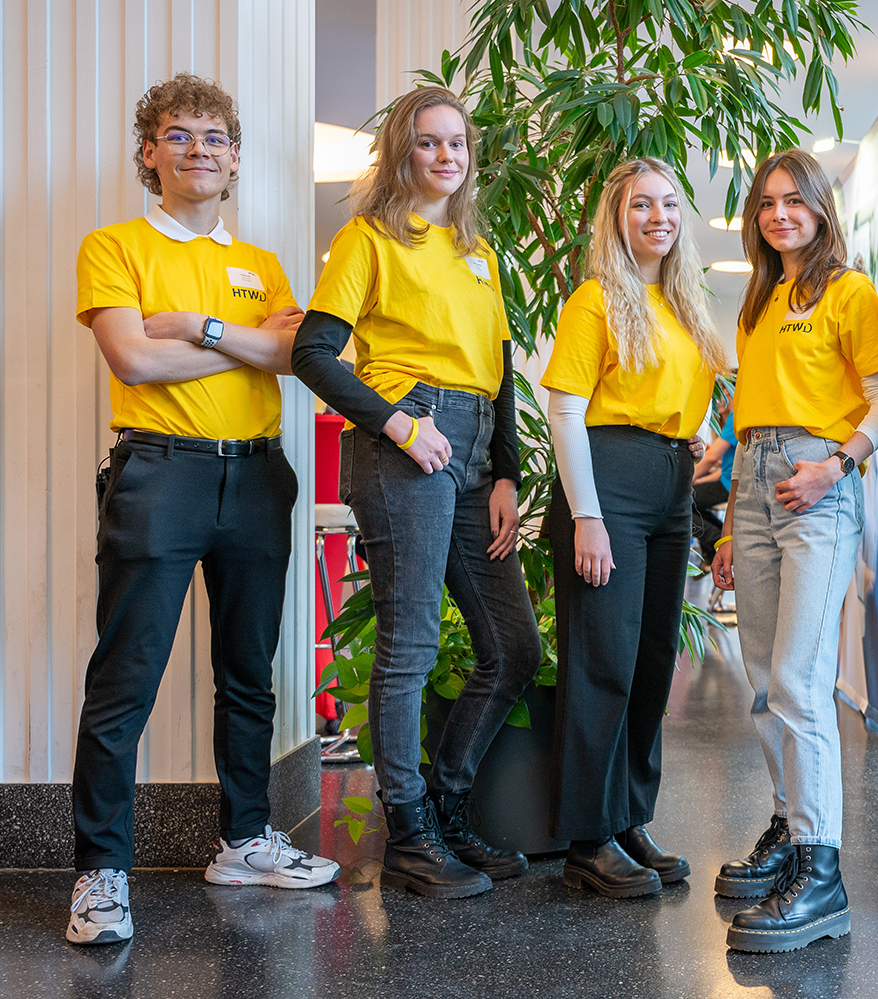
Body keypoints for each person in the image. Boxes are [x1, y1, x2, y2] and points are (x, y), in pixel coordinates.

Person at [70, 73, 338, 946]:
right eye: (178, 135)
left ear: (233, 157)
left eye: (215, 137)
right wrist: (246, 347)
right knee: (125, 679)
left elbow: (296, 355)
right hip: (160, 473)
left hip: (257, 478)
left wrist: (197, 326)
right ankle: (101, 872)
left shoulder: (260, 263)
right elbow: (134, 364)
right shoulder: (112, 245)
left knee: (248, 673)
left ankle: (246, 838)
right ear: (149, 152)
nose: (198, 150)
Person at [291, 85, 541, 899]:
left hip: (473, 452)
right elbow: (314, 352)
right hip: (409, 442)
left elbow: (501, 372)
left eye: (458, 144)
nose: (445, 157)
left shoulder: (480, 252)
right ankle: (408, 832)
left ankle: (447, 803)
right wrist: (400, 425)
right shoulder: (367, 239)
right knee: (411, 647)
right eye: (428, 143)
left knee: (512, 648)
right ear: (401, 152)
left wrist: (506, 470)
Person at [710, 149, 878, 952]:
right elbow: (742, 418)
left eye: (794, 200)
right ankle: (791, 830)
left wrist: (837, 463)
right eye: (766, 203)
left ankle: (820, 874)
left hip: (815, 481)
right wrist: (726, 519)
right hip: (752, 481)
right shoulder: (760, 297)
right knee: (762, 681)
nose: (779, 213)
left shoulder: (848, 291)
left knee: (797, 677)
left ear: (821, 210)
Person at [542, 157, 726, 899]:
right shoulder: (596, 299)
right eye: (640, 205)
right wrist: (586, 514)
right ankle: (587, 837)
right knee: (603, 662)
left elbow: (690, 391)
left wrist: (698, 428)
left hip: (667, 487)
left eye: (669, 204)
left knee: (652, 661)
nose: (657, 216)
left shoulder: (683, 304)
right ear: (616, 219)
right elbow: (564, 408)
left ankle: (628, 817)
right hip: (607, 482)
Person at [691, 395, 738, 565]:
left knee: (680, 501)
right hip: (727, 482)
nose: (717, 399)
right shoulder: (728, 421)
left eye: (723, 392)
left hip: (729, 487)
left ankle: (717, 542)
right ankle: (715, 547)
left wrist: (687, 479)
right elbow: (724, 471)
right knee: (694, 500)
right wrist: (698, 481)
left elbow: (711, 458)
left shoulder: (736, 416)